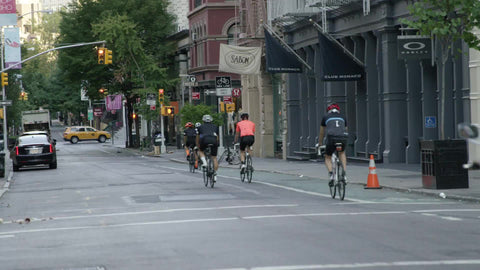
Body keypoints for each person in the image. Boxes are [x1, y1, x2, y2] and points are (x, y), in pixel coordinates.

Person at [318, 103, 348, 186]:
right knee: (342, 153)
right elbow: (345, 129)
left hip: (331, 138)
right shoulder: (343, 116)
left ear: (328, 111)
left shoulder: (325, 117)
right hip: (342, 138)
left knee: (328, 157)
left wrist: (320, 143)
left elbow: (322, 132)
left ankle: (331, 175)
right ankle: (344, 174)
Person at [196, 114, 219, 181]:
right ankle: (215, 175)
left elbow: (197, 136)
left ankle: (204, 162)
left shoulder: (200, 127)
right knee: (214, 157)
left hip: (204, 140)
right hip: (213, 140)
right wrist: (217, 144)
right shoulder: (215, 126)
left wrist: (197, 144)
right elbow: (217, 137)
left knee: (200, 151)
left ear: (203, 120)